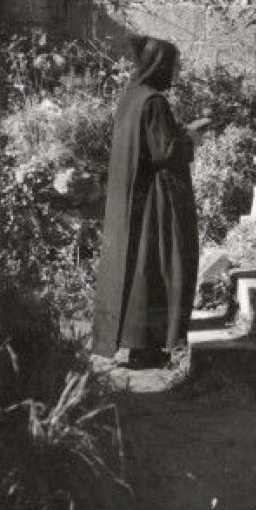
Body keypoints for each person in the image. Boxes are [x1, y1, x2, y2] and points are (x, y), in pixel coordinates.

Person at [91, 36, 203, 368]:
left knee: (139, 264)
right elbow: (165, 152)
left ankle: (136, 341)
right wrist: (190, 137)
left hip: (131, 196)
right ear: (160, 66)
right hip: (156, 197)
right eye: (174, 66)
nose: (176, 72)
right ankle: (151, 343)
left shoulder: (131, 97)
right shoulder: (154, 102)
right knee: (161, 264)